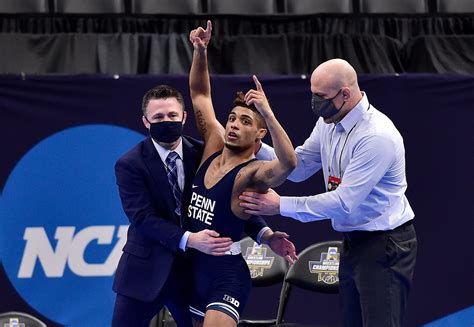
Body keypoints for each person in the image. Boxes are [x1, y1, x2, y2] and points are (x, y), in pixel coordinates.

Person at [239, 58, 418, 327]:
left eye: (320, 96)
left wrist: (280, 205)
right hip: (352, 242)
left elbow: (344, 203)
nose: (314, 102)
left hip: (386, 245)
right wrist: (257, 146)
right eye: (312, 93)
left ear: (345, 94)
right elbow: (298, 167)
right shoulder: (329, 121)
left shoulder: (377, 136)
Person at [112, 84, 297, 327]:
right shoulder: (129, 163)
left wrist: (265, 235)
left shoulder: (203, 153)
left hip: (193, 270)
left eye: (172, 115)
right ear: (146, 121)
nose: (165, 121)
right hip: (147, 269)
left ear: (184, 117)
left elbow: (230, 204)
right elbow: (143, 218)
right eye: (158, 117)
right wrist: (190, 238)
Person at [186, 21, 297, 327]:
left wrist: (269, 114)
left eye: (245, 121)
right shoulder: (212, 145)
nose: (234, 124)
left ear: (260, 134)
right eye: (232, 118)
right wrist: (200, 50)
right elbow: (199, 94)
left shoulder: (252, 174)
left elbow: (288, 164)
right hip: (189, 268)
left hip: (225, 277)